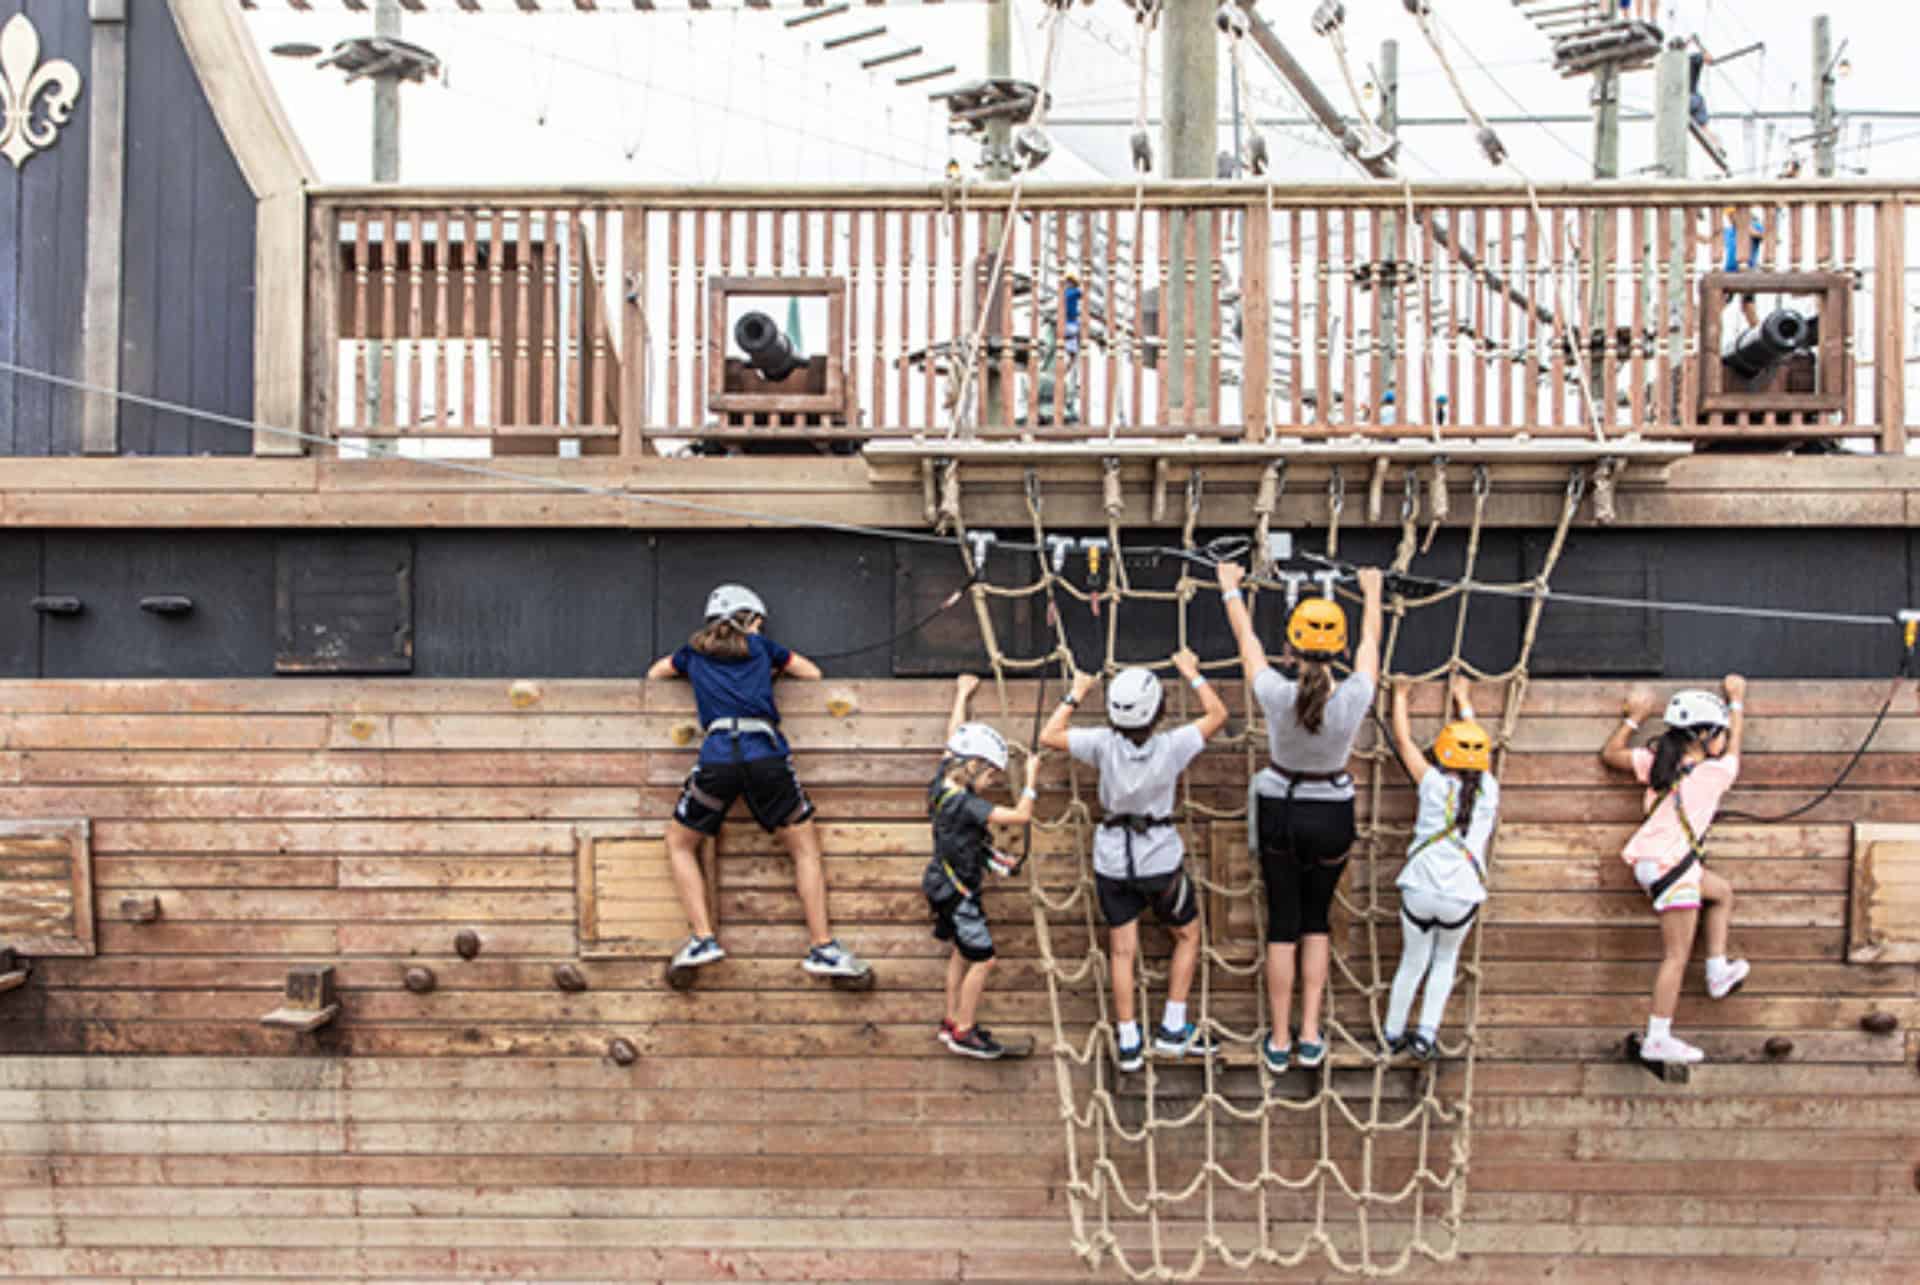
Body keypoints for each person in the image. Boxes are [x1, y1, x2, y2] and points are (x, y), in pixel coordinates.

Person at [648, 584, 866, 982]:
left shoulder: (691, 653)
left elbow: (656, 673)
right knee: (804, 849)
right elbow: (812, 673)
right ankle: (823, 947)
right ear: (754, 620)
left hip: (717, 756)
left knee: (680, 843)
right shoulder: (766, 650)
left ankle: (702, 938)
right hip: (765, 754)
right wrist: (769, 669)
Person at [1219, 561, 1385, 1074]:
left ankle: (1280, 1036)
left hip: (1281, 809)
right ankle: (1311, 1034)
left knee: (1282, 926)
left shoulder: (1275, 694)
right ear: (1337, 649)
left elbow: (1247, 642)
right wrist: (1372, 593)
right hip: (1332, 813)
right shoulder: (1356, 696)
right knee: (1317, 922)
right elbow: (1370, 648)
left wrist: (1230, 590)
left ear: (1288, 650)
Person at [1040, 650, 1229, 1071]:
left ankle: (1128, 1039)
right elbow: (1217, 715)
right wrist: (1192, 673)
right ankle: (1172, 1027)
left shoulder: (1103, 744)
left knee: (1122, 951)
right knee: (1187, 935)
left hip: (1112, 858)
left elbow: (1050, 735)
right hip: (1158, 857)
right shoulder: (1173, 745)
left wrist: (1076, 693)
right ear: (1158, 710)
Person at [1599, 677, 1751, 1065]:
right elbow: (1734, 751)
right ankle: (1658, 1037)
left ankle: (1717, 969)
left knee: (1721, 892)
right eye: (1717, 732)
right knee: (1676, 957)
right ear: (1701, 735)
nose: (1723, 738)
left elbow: (1610, 754)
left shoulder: (1656, 764)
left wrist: (1635, 719)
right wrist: (1737, 701)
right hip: (1673, 868)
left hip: (1656, 863)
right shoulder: (1714, 774)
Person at [1382, 674, 1500, 1062]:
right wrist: (1463, 699)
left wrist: (1400, 697)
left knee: (1412, 961)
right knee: (1445, 961)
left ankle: (1392, 1031)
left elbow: (1404, 742)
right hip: (1461, 893)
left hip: (1420, 886)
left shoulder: (1431, 783)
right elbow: (1476, 744)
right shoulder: (1489, 791)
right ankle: (1425, 1034)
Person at [925, 675, 1042, 1060]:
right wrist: (1031, 778)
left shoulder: (943, 783)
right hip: (959, 894)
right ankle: (964, 1030)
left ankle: (950, 1019)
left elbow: (953, 734)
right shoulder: (969, 804)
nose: (992, 782)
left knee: (961, 951)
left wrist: (961, 694)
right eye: (991, 774)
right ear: (973, 765)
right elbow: (1021, 817)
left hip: (943, 884)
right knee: (983, 959)